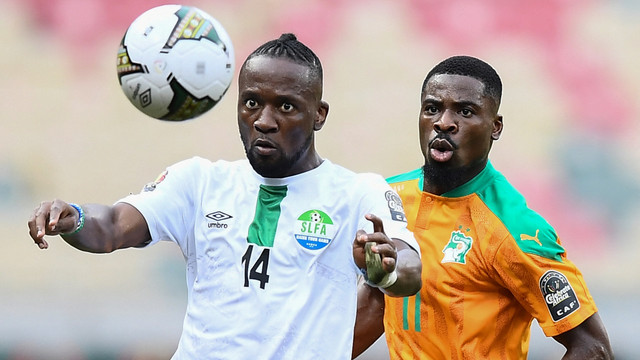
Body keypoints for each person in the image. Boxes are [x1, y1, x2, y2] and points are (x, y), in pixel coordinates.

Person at [28, 33, 422, 360]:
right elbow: (112, 226)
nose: (264, 121)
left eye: (286, 106)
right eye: (252, 102)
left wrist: (384, 268)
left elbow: (408, 267)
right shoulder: (200, 182)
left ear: (319, 114)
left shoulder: (358, 193)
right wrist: (75, 217)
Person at [353, 55, 613, 359]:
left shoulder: (516, 230)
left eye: (465, 111)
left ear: (495, 126)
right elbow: (377, 302)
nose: (444, 122)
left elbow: (593, 348)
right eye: (432, 108)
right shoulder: (388, 198)